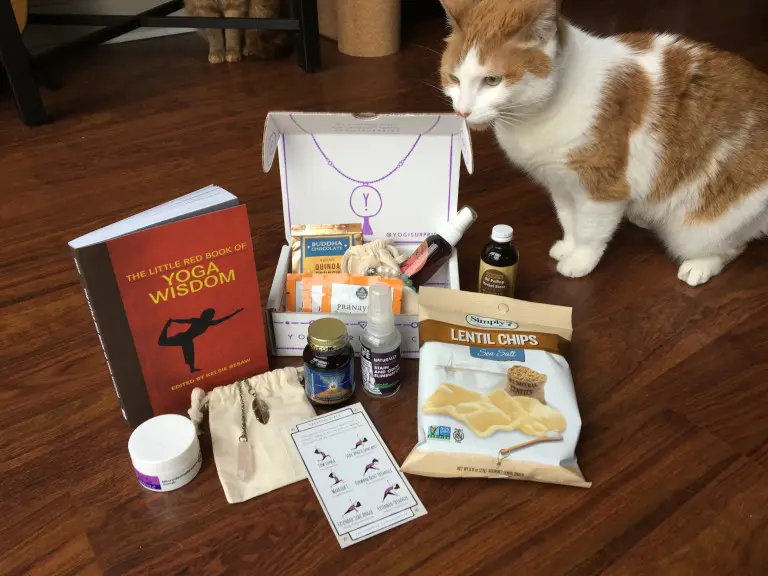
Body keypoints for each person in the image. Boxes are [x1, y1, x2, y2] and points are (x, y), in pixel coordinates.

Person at [157, 307, 243, 372]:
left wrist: (235, 312)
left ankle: (192, 368)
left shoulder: (208, 323)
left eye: (212, 315)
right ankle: (166, 327)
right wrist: (173, 321)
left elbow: (223, 319)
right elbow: (184, 321)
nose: (212, 316)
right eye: (211, 315)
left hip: (188, 339)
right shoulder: (197, 320)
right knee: (162, 342)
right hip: (183, 337)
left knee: (190, 353)